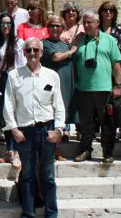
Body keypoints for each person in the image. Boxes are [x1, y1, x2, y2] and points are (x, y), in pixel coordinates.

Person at [2, 37, 65, 218]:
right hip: (25, 132)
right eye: (28, 50)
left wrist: (59, 129)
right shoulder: (14, 75)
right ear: (24, 52)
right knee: (27, 175)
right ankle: (28, 213)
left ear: (41, 52)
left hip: (46, 131)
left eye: (35, 50)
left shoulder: (52, 75)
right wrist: (13, 129)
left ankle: (51, 213)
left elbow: (58, 104)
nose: (32, 54)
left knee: (48, 176)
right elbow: (8, 104)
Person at [73, 10, 121, 163]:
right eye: (84, 22)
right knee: (85, 123)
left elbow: (116, 64)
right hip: (83, 89)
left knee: (107, 122)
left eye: (89, 22)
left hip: (104, 89)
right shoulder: (80, 40)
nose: (86, 25)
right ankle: (86, 150)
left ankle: (107, 153)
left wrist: (118, 85)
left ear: (97, 23)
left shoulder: (109, 40)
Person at [0, 13, 26, 167]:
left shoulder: (18, 43)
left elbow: (22, 64)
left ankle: (17, 151)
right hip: (1, 79)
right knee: (4, 116)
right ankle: (10, 150)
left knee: (16, 115)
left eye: (8, 23)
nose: (6, 26)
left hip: (15, 79)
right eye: (3, 24)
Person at [42, 15, 78, 146]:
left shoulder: (65, 45)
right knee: (53, 116)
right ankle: (54, 149)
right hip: (51, 87)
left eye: (58, 26)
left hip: (66, 86)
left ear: (63, 28)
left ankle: (59, 143)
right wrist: (72, 51)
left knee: (62, 117)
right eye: (52, 25)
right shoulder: (44, 43)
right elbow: (56, 57)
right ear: (48, 28)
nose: (55, 28)